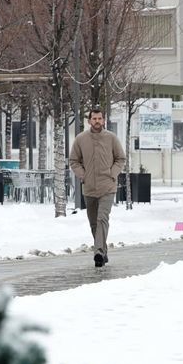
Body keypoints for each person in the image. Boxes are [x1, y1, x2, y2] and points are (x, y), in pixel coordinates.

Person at [70, 108, 126, 267]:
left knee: (102, 218)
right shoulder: (81, 139)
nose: (97, 121)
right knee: (94, 222)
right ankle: (103, 251)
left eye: (99, 118)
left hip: (107, 186)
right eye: (94, 118)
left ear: (103, 120)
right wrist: (83, 175)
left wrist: (112, 174)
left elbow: (120, 158)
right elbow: (74, 161)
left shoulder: (111, 138)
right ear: (89, 121)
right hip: (89, 187)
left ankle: (99, 252)